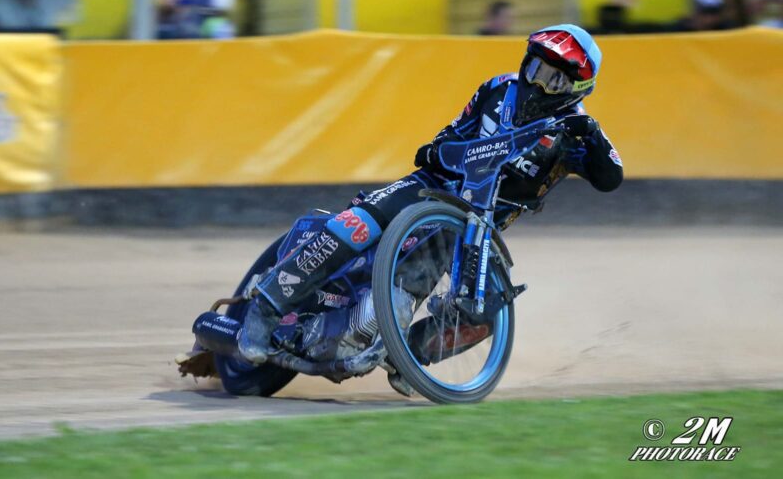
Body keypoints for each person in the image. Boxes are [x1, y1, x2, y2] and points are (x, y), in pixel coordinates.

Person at [237, 24, 624, 385]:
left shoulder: (576, 133)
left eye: (554, 79)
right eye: (537, 69)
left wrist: (592, 135)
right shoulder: (497, 88)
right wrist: (440, 150)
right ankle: (265, 309)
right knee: (357, 224)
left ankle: (407, 360)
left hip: (467, 230)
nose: (538, 84)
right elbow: (445, 140)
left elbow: (612, 178)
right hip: (429, 188)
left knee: (484, 310)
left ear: (577, 88)